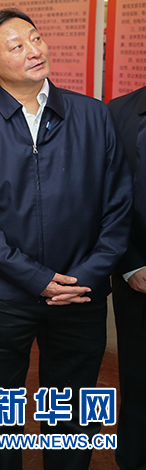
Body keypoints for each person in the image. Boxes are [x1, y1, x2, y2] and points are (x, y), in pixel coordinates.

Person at [0, 8, 131, 470]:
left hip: (80, 291)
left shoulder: (93, 116)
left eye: (35, 38)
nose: (34, 50)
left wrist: (85, 276)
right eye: (17, 46)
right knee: (3, 409)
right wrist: (35, 278)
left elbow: (118, 205)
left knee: (74, 409)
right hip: (3, 295)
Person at [106, 87, 146, 470]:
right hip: (138, 275)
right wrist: (130, 264)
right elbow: (105, 192)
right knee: (137, 377)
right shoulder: (118, 112)